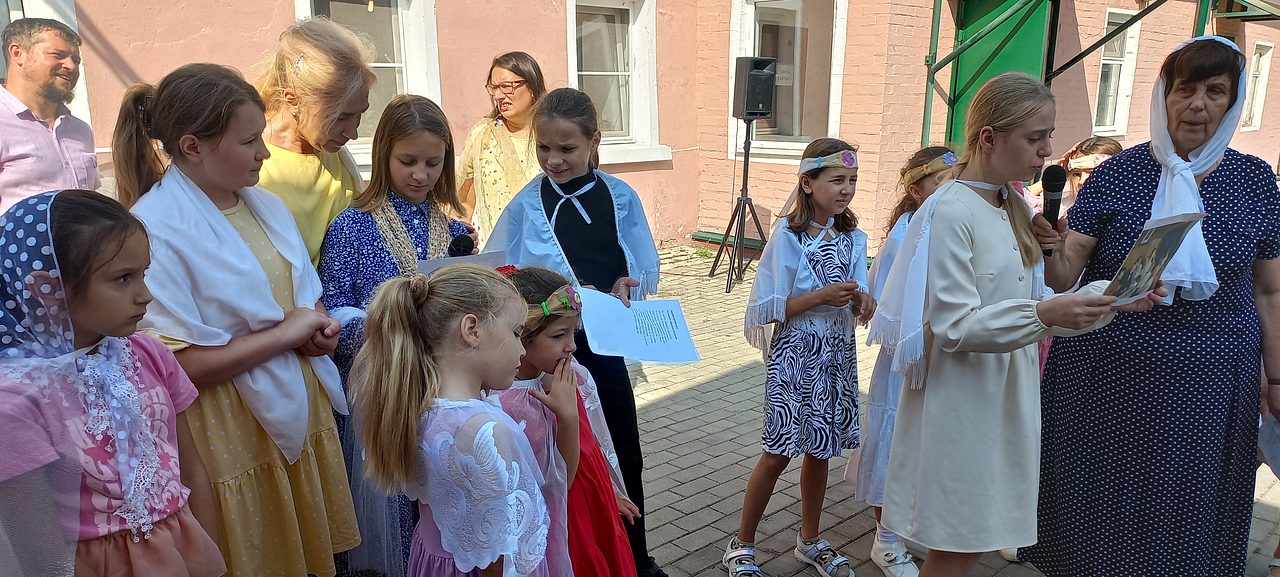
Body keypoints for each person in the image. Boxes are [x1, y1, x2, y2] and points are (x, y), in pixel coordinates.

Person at [870, 72, 1162, 577]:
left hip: (1008, 394)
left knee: (973, 540)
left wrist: (1110, 297)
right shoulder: (951, 210)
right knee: (957, 545)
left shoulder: (1011, 205)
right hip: (965, 399)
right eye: (1035, 138)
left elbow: (1034, 302)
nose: (1047, 151)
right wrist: (1045, 314)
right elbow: (955, 325)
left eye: (1049, 136)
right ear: (989, 137)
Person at [1029, 36, 1280, 577]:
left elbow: (1270, 290)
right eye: (1184, 89)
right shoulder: (1118, 173)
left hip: (1212, 383)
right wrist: (1050, 244)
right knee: (1097, 507)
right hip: (1108, 374)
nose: (1197, 105)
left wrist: (1277, 378)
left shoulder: (1255, 181)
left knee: (1187, 511)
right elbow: (1065, 275)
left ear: (1233, 101)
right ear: (1163, 95)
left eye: (1215, 91)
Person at [114, 63, 359, 577]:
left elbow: (298, 296)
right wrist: (286, 334)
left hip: (294, 408)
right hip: (230, 431)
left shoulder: (265, 206)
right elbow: (175, 366)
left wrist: (316, 327)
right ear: (192, 146)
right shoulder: (154, 231)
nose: (264, 153)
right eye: (249, 142)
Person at [485, 87, 666, 577]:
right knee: (562, 453)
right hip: (549, 352)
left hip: (603, 347)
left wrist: (628, 282)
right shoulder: (527, 205)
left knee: (621, 447)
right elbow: (503, 273)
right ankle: (571, 554)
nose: (553, 160)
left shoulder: (618, 196)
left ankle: (634, 555)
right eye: (544, 148)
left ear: (594, 142)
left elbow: (642, 262)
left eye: (567, 149)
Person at [0, 191, 226, 577]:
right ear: (47, 289)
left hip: (183, 554)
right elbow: (42, 552)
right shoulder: (15, 402)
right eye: (123, 278)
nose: (145, 296)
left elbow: (193, 474)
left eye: (143, 274)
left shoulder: (149, 354)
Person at [318, 94, 470, 577]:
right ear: (383, 153)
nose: (421, 175)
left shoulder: (453, 229)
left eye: (433, 163)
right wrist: (393, 323)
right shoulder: (352, 227)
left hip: (441, 395)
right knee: (392, 520)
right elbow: (333, 319)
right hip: (380, 394)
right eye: (408, 161)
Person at [350, 265, 570, 576]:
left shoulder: (417, 406)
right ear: (471, 330)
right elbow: (502, 561)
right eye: (515, 332)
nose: (522, 348)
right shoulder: (485, 432)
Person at [725, 138, 874, 577]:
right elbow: (769, 307)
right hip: (796, 355)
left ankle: (809, 539)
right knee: (777, 452)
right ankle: (742, 542)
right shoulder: (788, 239)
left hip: (835, 355)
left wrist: (863, 302)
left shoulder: (853, 238)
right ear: (807, 183)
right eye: (837, 180)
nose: (846, 189)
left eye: (852, 180)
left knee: (820, 450)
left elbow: (861, 293)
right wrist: (819, 297)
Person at [844, 145, 955, 577]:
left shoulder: (956, 227)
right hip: (905, 362)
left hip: (944, 357)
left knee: (927, 446)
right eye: (941, 183)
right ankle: (886, 539)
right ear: (916, 191)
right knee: (894, 444)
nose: (951, 191)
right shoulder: (904, 235)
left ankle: (914, 525)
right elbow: (883, 298)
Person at [496, 265, 639, 577]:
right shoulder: (506, 402)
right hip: (562, 516)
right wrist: (567, 416)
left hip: (593, 502)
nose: (572, 345)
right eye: (558, 335)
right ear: (522, 335)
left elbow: (597, 442)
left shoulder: (575, 375)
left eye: (573, 332)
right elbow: (549, 483)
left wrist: (610, 490)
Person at [255, 17, 377, 264]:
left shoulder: (337, 156)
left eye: (359, 115)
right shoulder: (251, 160)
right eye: (340, 117)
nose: (353, 133)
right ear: (293, 99)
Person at [0, 18, 98, 211]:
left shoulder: (80, 131)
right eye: (58, 55)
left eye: (76, 60)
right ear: (18, 53)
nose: (71, 66)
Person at [458, 51, 547, 239]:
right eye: (493, 88)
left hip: (542, 248)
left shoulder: (551, 138)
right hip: (492, 250)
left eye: (506, 87)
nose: (498, 96)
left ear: (531, 86)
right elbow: (465, 201)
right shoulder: (483, 135)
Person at [1027, 136, 1122, 214]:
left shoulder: (1121, 214)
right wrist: (1056, 178)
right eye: (1077, 174)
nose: (1081, 181)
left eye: (1092, 173)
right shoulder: (1063, 206)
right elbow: (1020, 202)